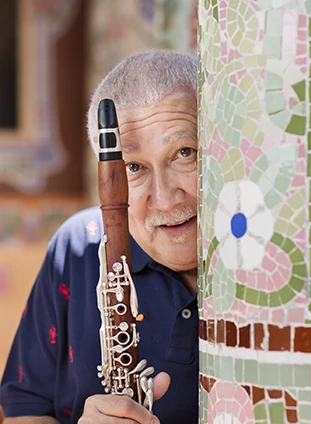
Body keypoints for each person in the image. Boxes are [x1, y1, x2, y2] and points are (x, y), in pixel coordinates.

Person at [0, 50, 198, 424]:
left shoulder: (260, 257)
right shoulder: (78, 245)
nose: (166, 197)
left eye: (184, 153)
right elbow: (23, 409)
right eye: (134, 167)